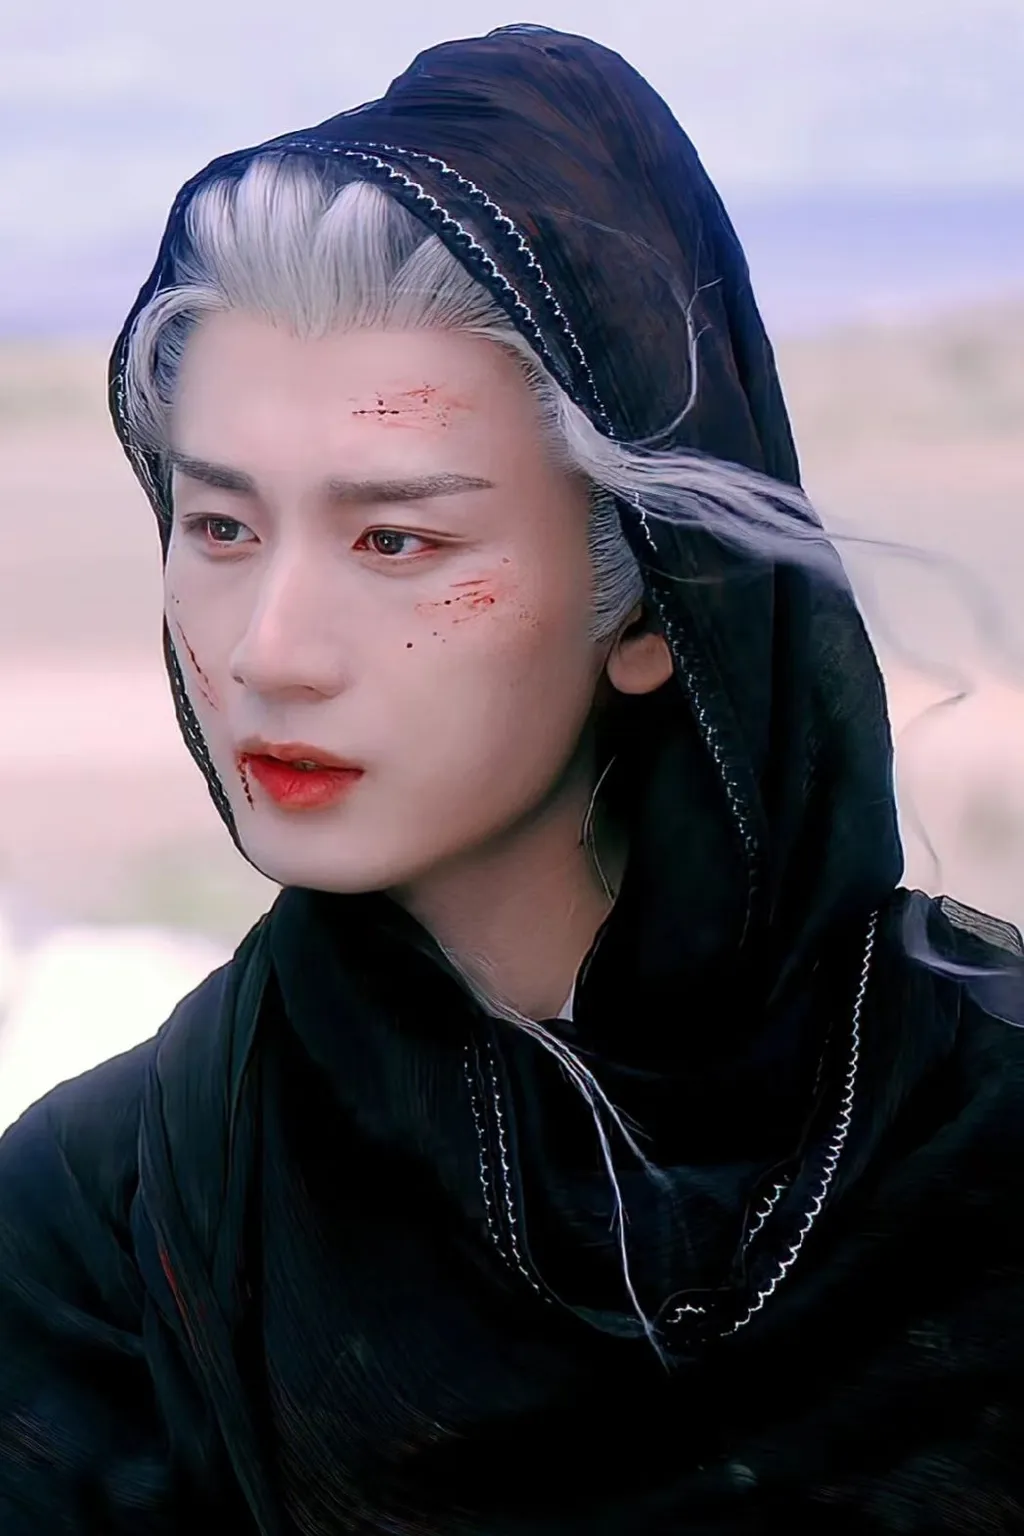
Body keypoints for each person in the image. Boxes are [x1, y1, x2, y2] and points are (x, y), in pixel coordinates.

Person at [2, 24, 1023, 1535]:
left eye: (395, 540)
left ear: (650, 600)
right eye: (220, 528)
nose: (270, 649)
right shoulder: (110, 1230)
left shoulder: (985, 1126)